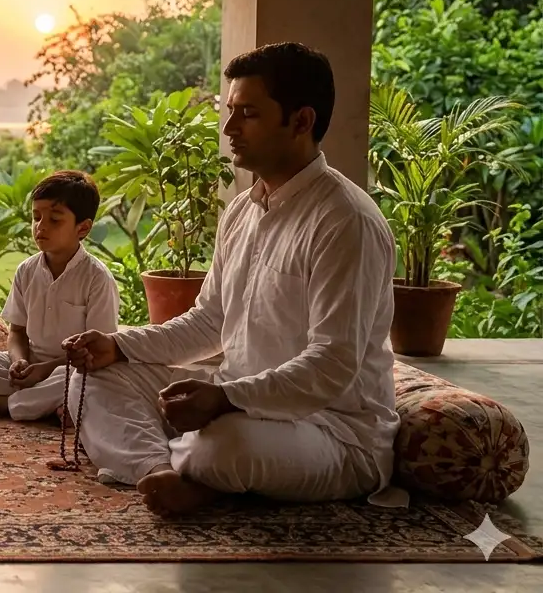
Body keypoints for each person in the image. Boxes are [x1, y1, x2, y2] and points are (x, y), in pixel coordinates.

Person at [63, 42, 399, 517]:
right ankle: (162, 471)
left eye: (248, 114)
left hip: (331, 431)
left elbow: (331, 365)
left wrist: (225, 400)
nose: (228, 129)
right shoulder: (242, 209)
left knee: (226, 444)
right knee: (93, 378)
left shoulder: (345, 221)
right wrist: (119, 345)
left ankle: (195, 470)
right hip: (236, 398)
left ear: (301, 121)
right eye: (230, 112)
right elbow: (208, 321)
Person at [0, 170, 118, 419]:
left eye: (55, 220)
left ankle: (2, 405)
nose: (41, 227)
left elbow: (95, 354)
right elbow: (17, 331)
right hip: (30, 366)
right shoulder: (26, 271)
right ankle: (48, 407)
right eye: (36, 217)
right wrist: (20, 361)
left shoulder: (97, 278)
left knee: (87, 380)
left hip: (72, 368)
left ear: (82, 228)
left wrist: (44, 371)